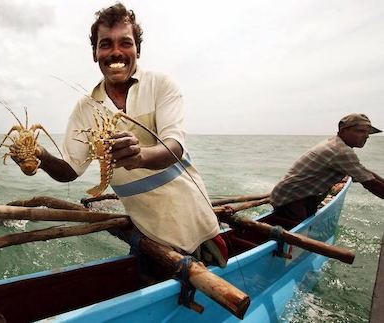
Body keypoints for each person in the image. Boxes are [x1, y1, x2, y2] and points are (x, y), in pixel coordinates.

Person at [12, 3, 227, 267]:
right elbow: (70, 169)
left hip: (195, 222)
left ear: (138, 49)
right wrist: (41, 156)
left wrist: (140, 156)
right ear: (95, 53)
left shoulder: (161, 85)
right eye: (106, 44)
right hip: (148, 232)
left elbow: (175, 146)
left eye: (125, 43)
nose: (116, 52)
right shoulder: (85, 107)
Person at [271, 113, 384, 221]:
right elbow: (370, 183)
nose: (367, 136)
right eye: (360, 131)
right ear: (344, 130)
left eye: (368, 132)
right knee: (295, 233)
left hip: (301, 196)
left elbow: (365, 172)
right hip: (291, 198)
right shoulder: (341, 151)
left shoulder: (335, 143)